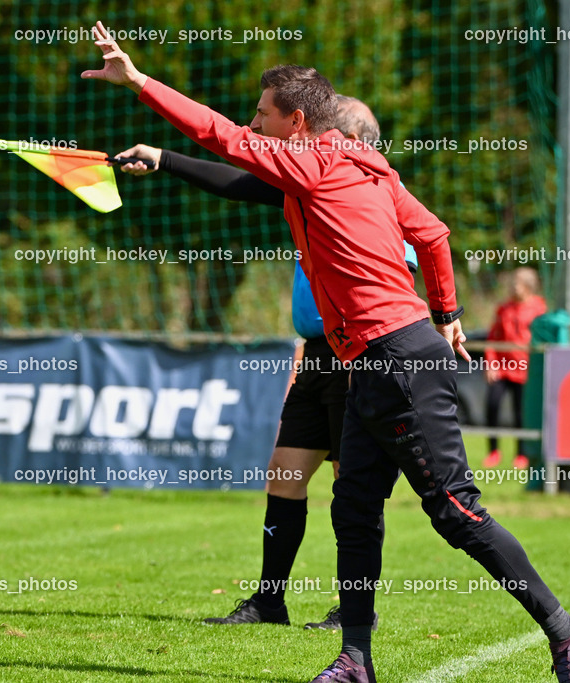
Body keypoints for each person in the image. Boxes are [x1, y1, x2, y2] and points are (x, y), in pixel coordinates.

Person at [82, 20, 570, 683]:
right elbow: (436, 234)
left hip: (398, 360)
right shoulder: (367, 169)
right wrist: (447, 313)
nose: (254, 126)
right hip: (378, 361)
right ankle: (355, 659)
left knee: (456, 510)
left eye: (263, 116)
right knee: (353, 506)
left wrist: (140, 82)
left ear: (295, 121)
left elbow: (218, 134)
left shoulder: (312, 163)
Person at [114, 96, 414, 631]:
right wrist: (164, 158)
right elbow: (236, 181)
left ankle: (353, 610)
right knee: (284, 475)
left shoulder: (374, 196)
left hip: (365, 353)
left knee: (354, 489)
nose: (305, 143)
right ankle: (269, 602)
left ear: (347, 140)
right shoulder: (308, 185)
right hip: (320, 358)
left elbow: (405, 272)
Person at [483, 267, 547, 469]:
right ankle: (493, 452)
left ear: (528, 286)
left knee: (521, 413)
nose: (512, 287)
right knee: (492, 405)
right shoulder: (504, 309)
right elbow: (493, 338)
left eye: (516, 283)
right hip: (503, 367)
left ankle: (521, 454)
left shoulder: (539, 309)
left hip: (525, 369)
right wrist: (491, 363)